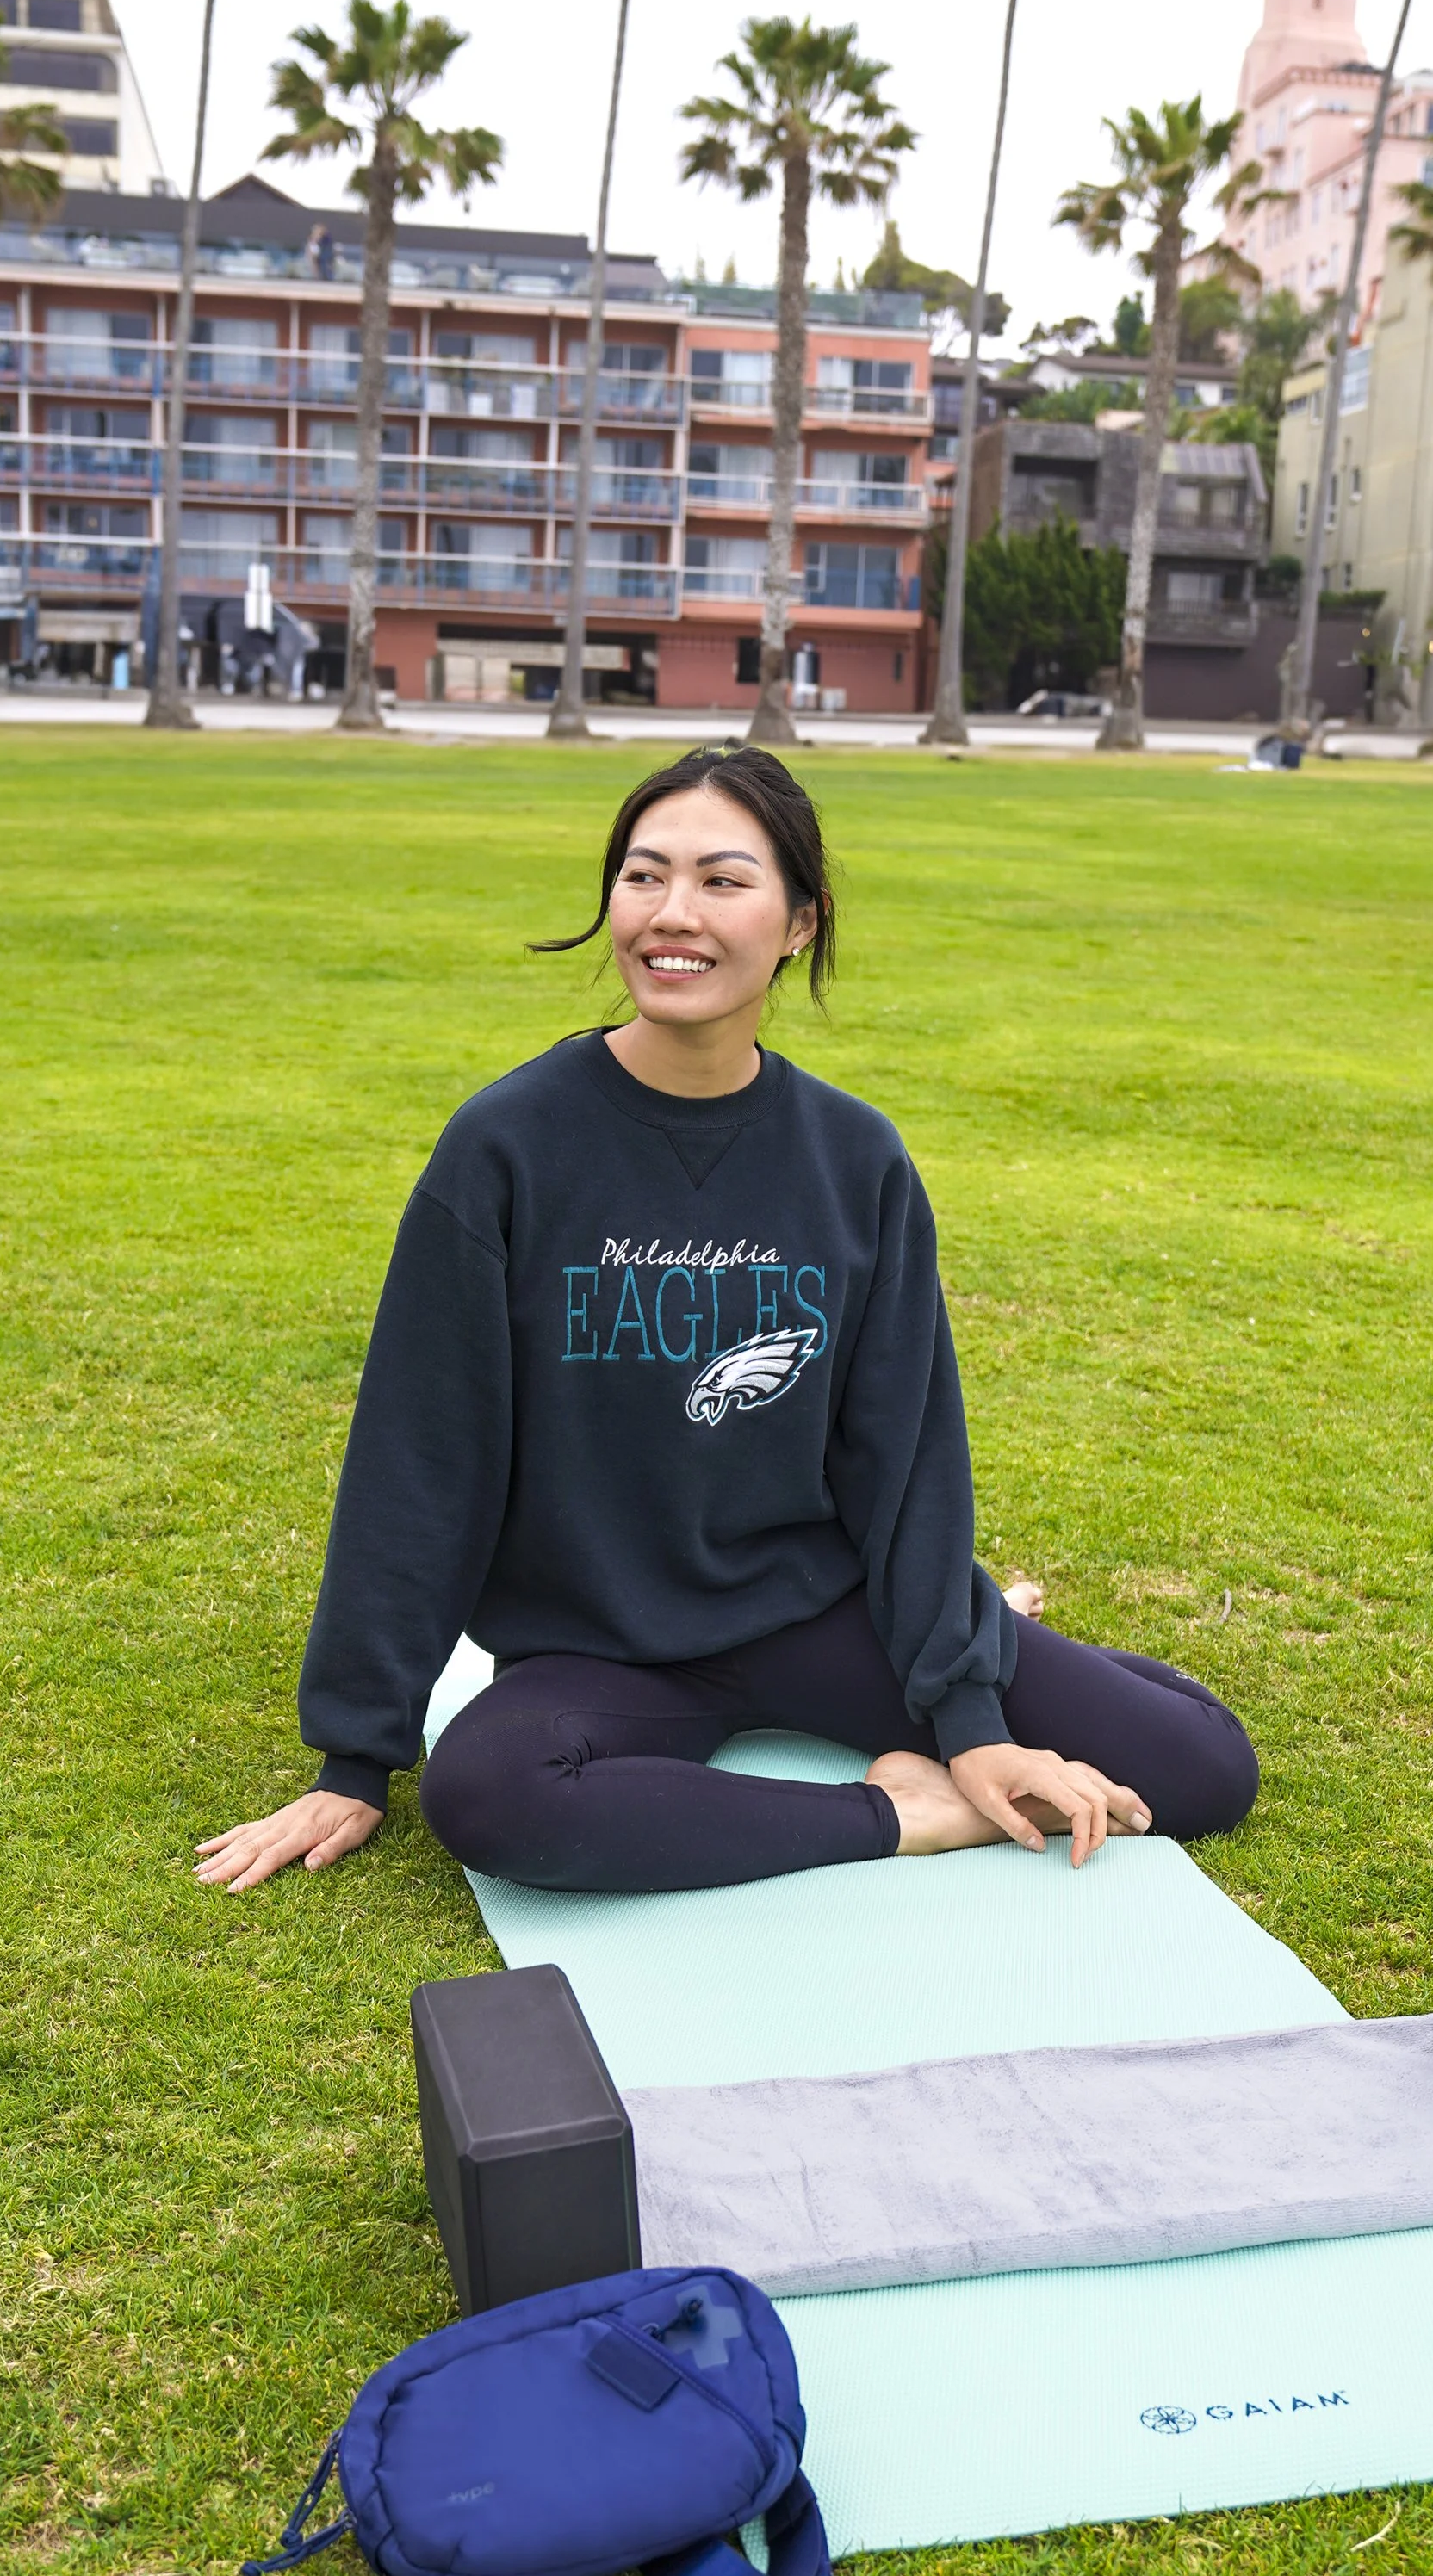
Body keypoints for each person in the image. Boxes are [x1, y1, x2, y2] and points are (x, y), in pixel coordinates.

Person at [195, 746, 1256, 1900]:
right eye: (644, 875)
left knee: (1201, 1768)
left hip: (822, 1614)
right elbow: (421, 1455)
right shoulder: (506, 1147)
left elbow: (902, 1455)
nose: (673, 914)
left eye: (722, 880)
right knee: (489, 1792)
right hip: (604, 1651)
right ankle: (904, 1811)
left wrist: (971, 1712)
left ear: (801, 921)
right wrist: (357, 1757)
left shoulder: (855, 1158)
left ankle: (981, 1625)